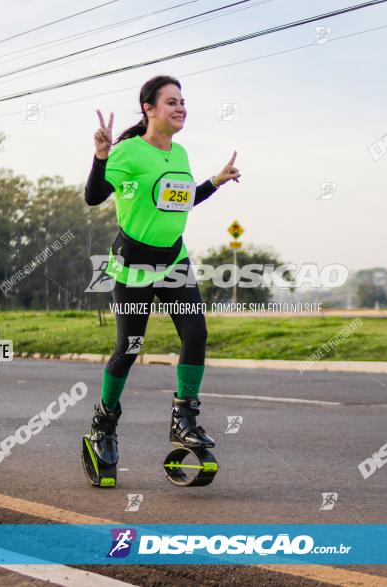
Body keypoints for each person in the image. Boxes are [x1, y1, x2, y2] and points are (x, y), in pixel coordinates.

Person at [83, 75, 241, 482]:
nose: (181, 107)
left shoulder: (181, 153)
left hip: (174, 263)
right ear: (149, 109)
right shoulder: (129, 152)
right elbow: (94, 196)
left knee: (196, 334)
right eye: (172, 101)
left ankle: (184, 418)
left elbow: (182, 199)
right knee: (129, 347)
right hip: (134, 266)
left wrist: (215, 183)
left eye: (183, 102)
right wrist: (101, 157)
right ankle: (104, 424)